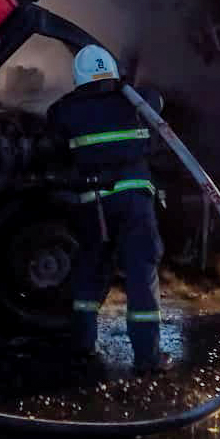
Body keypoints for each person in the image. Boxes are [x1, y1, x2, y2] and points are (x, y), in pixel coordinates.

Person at [47, 44, 170, 374]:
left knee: (91, 270)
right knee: (140, 275)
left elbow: (55, 151)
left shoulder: (63, 110)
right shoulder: (138, 100)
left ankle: (82, 343)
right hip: (134, 201)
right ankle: (148, 358)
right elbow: (158, 101)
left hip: (94, 204)